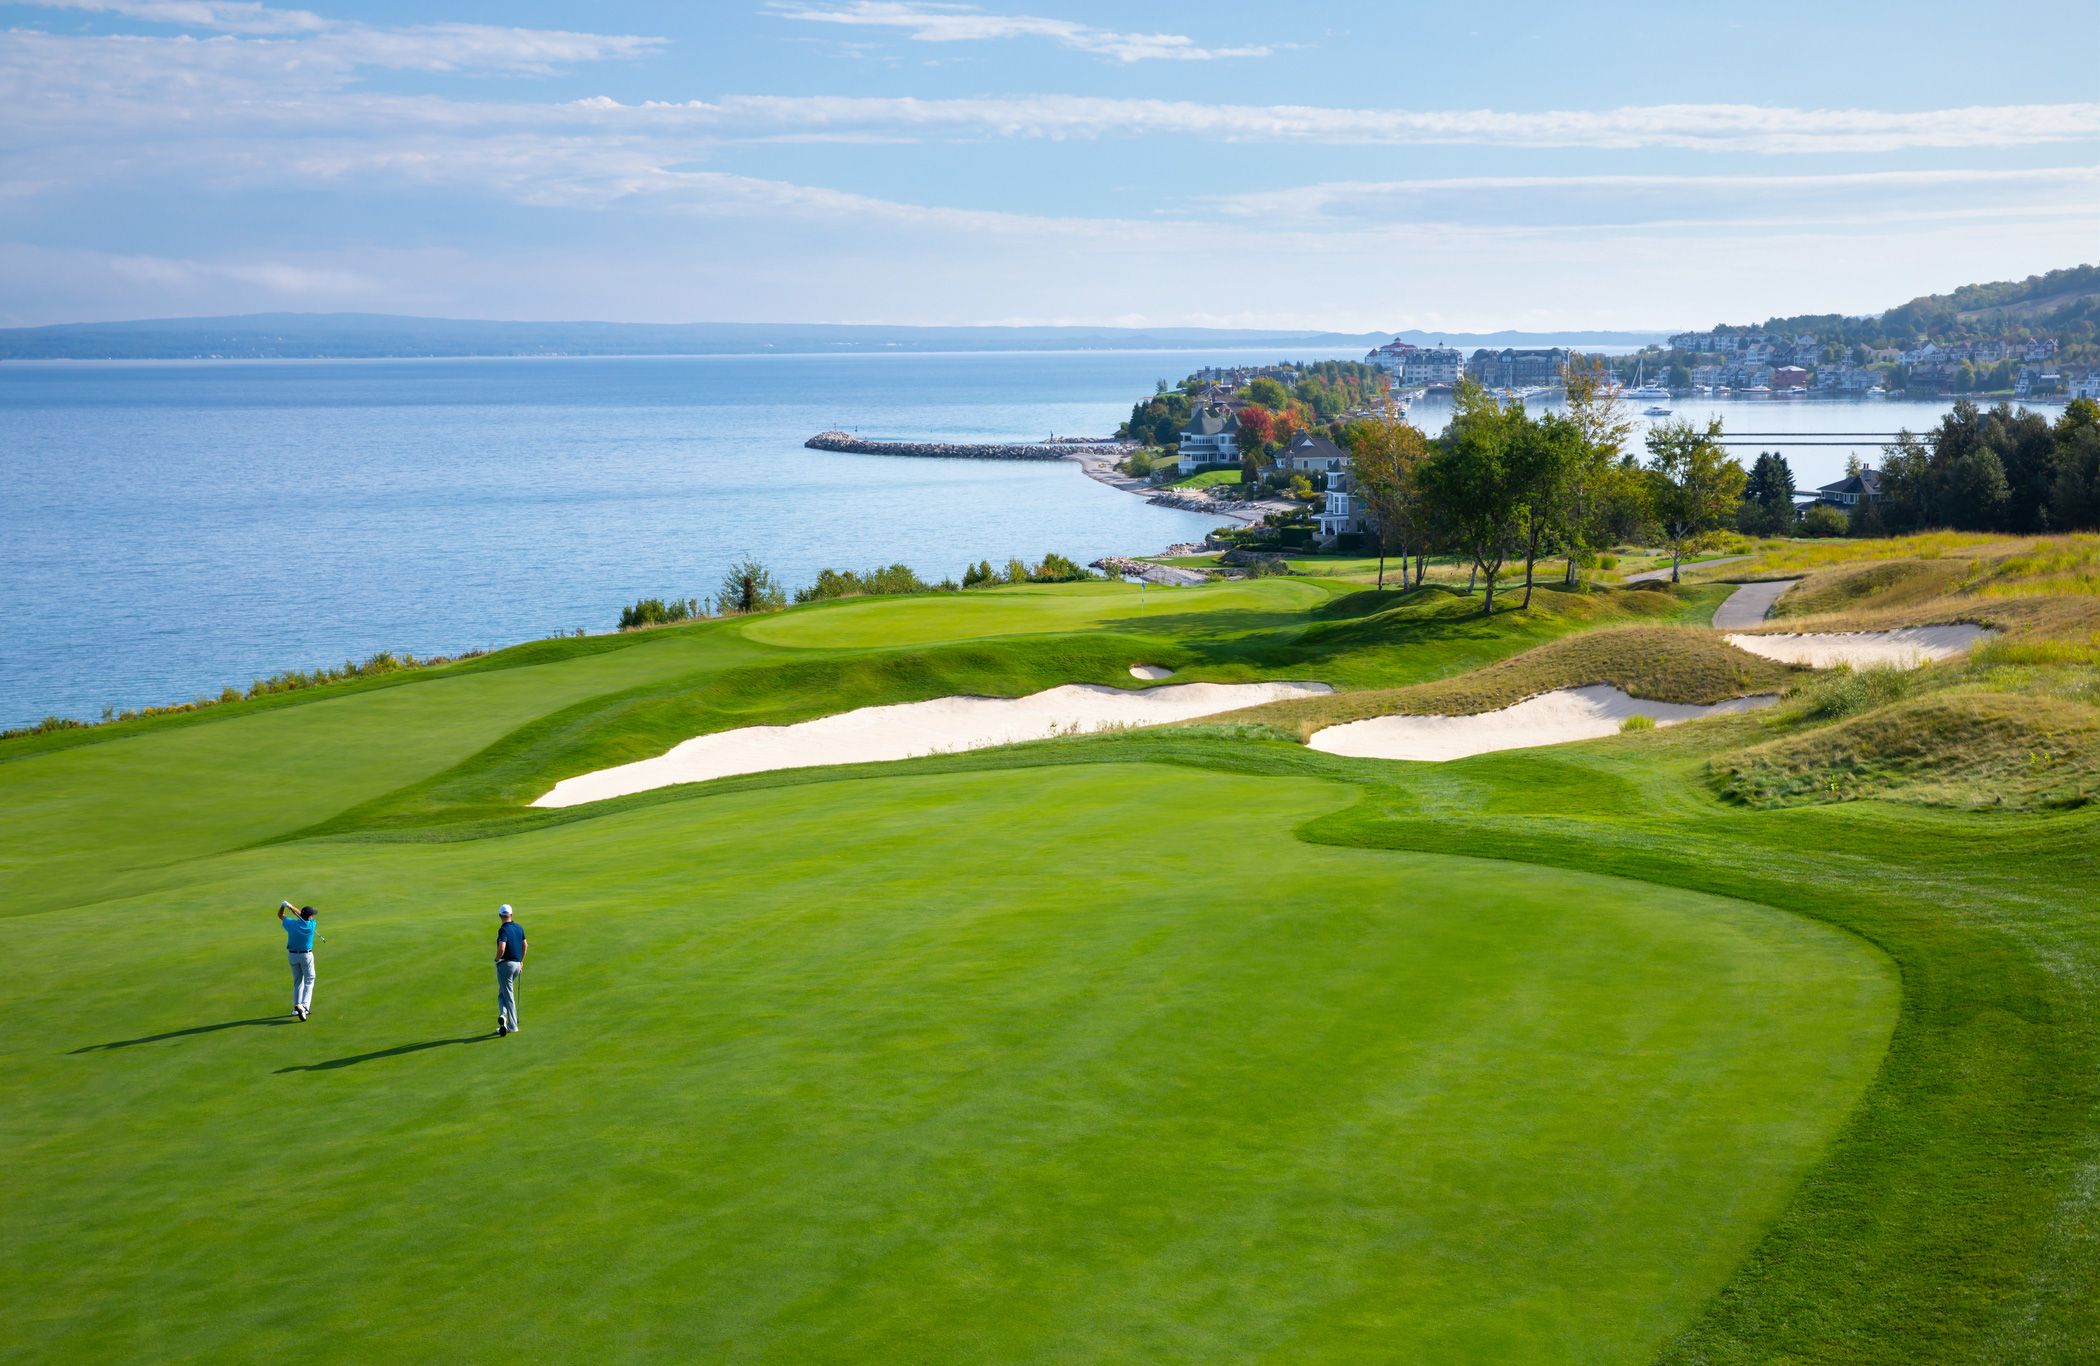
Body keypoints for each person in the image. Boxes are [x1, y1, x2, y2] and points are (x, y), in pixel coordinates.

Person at [277, 901, 319, 1021]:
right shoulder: (311, 925)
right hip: (306, 956)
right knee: (310, 980)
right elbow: (301, 914)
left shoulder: (291, 924)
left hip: (292, 956)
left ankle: (296, 1009)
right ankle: (304, 1006)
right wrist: (292, 907)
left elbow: (280, 915)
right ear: (310, 917)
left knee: (297, 982)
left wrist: (285, 906)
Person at [495, 904, 527, 1037]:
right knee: (503, 993)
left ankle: (513, 1026)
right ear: (511, 915)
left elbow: (502, 948)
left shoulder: (503, 930)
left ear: (500, 916)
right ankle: (503, 1017)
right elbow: (525, 944)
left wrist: (496, 959)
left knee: (508, 995)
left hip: (505, 965)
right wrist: (521, 961)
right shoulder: (519, 927)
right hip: (516, 965)